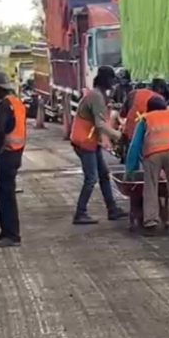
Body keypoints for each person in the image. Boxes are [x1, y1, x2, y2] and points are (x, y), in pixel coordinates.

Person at [125, 96, 169, 237]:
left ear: (149, 109)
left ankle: (151, 223)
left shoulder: (145, 118)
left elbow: (135, 146)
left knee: (150, 188)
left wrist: (130, 170)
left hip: (152, 154)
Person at [69, 65, 127, 224]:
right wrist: (118, 136)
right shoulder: (96, 97)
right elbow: (100, 124)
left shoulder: (99, 95)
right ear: (105, 80)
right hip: (84, 142)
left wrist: (108, 140)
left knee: (103, 175)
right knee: (91, 178)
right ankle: (80, 213)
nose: (113, 84)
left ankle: (112, 209)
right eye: (112, 80)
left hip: (90, 141)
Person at [0, 71, 27, 248]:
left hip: (6, 154)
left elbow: (1, 130)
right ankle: (7, 232)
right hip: (16, 154)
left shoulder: (5, 105)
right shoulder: (17, 103)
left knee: (5, 195)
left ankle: (11, 235)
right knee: (4, 194)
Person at [119, 78, 168, 143]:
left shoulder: (134, 93)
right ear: (161, 89)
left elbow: (122, 114)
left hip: (129, 134)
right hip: (148, 138)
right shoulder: (160, 100)